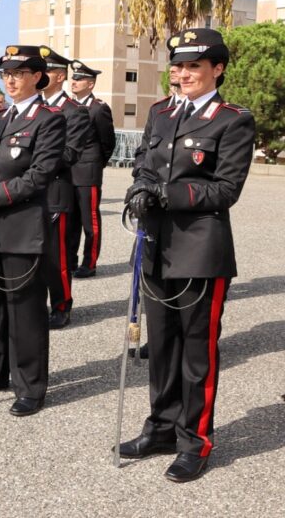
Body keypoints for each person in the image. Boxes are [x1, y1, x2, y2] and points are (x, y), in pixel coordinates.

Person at [119, 27, 255, 483]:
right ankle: (160, 427)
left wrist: (165, 192)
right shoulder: (160, 112)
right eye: (178, 65)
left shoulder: (232, 119)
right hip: (155, 247)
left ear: (217, 69)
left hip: (200, 251)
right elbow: (142, 160)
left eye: (194, 65)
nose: (183, 74)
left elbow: (225, 190)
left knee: (197, 354)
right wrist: (140, 186)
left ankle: (195, 441)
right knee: (161, 347)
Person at [0, 44, 65, 417]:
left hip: (22, 226)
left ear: (37, 76)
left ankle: (31, 384)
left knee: (25, 309)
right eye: (6, 74)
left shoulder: (49, 118)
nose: (11, 80)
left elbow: (38, 176)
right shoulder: (0, 118)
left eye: (18, 73)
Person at [38, 48, 90, 330]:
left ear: (59, 76)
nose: (40, 75)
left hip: (55, 193)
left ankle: (61, 305)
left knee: (57, 257)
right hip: (29, 193)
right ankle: (35, 302)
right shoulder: (33, 106)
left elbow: (70, 154)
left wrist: (34, 159)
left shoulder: (74, 111)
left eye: (45, 70)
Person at [67, 60, 116, 278]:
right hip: (68, 171)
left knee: (90, 221)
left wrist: (96, 163)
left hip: (88, 171)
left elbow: (108, 142)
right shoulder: (68, 106)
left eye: (79, 79)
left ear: (91, 84)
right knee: (71, 221)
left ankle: (90, 262)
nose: (74, 81)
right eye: (73, 78)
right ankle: (70, 260)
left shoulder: (98, 108)